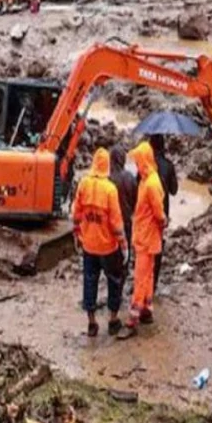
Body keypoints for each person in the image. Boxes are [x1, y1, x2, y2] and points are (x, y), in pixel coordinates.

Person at [73, 148, 128, 337]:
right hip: (108, 246)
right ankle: (113, 320)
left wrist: (77, 234)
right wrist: (124, 244)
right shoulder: (110, 189)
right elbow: (116, 221)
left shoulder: (83, 184)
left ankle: (91, 322)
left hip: (88, 244)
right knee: (114, 280)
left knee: (89, 281)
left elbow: (76, 213)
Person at [118, 141, 166, 340]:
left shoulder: (152, 183)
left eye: (138, 161)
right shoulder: (148, 179)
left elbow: (159, 214)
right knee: (147, 275)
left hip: (147, 237)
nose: (136, 164)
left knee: (140, 277)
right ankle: (146, 309)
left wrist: (162, 223)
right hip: (146, 236)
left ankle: (133, 318)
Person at [148, 134, 178, 291]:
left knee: (145, 248)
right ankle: (154, 283)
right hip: (162, 213)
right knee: (158, 246)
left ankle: (145, 281)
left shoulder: (146, 165)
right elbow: (174, 191)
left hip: (146, 214)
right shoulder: (168, 165)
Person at [109, 146, 137, 250]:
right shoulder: (130, 177)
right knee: (126, 250)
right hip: (126, 220)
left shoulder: (108, 179)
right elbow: (136, 201)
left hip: (110, 223)